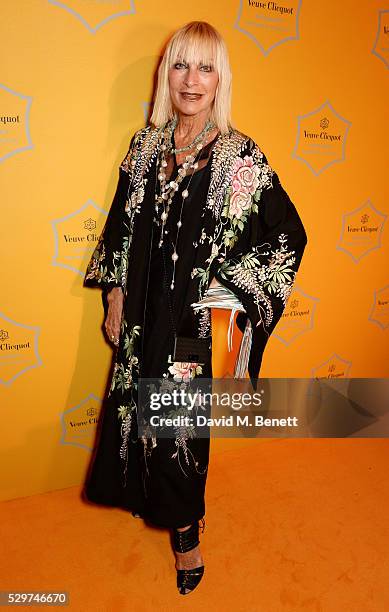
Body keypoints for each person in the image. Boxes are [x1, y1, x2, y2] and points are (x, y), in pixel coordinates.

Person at [82, 20, 307, 595]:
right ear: (167, 74)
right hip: (139, 319)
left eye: (206, 67)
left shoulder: (237, 155)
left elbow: (288, 234)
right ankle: (151, 503)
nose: (192, 79)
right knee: (137, 421)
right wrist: (114, 291)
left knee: (179, 432)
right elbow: (118, 228)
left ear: (220, 80)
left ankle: (186, 539)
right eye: (182, 64)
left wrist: (227, 294)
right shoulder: (145, 146)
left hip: (186, 327)